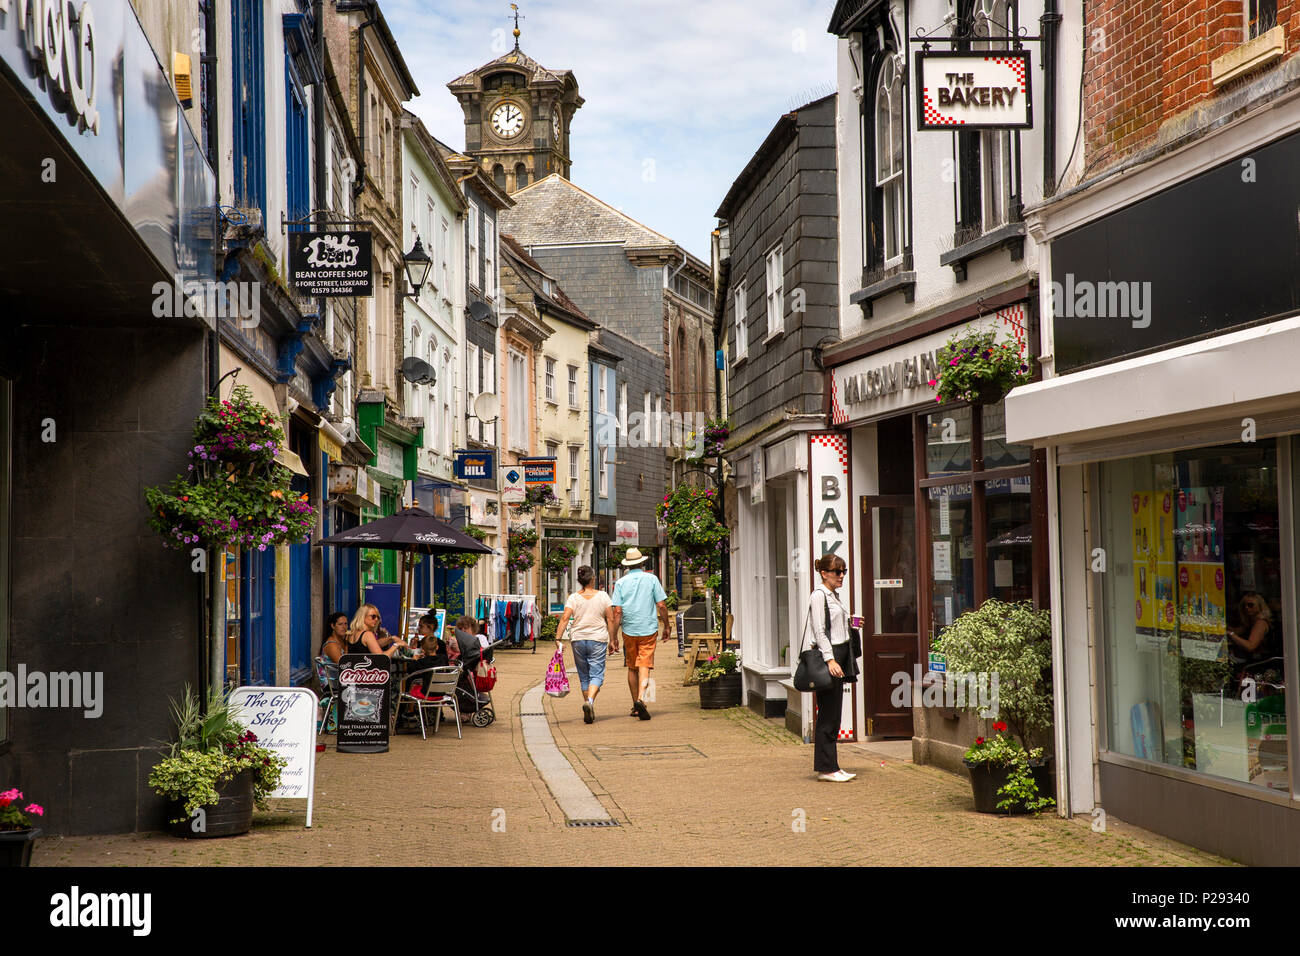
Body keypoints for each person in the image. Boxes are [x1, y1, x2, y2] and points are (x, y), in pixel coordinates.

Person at [805, 554, 860, 782]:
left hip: (840, 654)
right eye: (837, 572)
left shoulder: (834, 596)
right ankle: (827, 769)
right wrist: (830, 660)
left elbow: (833, 626)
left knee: (834, 712)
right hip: (831, 656)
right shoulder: (819, 596)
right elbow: (819, 631)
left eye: (844, 571)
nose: (841, 576)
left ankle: (832, 765)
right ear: (824, 573)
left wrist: (852, 622)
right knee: (828, 713)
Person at [609, 548, 668, 720]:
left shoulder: (620, 583)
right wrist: (667, 625)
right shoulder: (651, 579)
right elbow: (662, 605)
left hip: (629, 630)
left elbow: (617, 612)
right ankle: (642, 699)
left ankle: (635, 704)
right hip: (648, 629)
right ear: (642, 563)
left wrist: (613, 637)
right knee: (645, 664)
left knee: (632, 666)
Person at [555, 565, 615, 723]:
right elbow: (610, 618)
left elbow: (565, 618)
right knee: (596, 674)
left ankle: (588, 706)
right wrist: (614, 639)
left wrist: (558, 638)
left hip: (578, 640)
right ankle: (589, 702)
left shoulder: (573, 597)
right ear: (593, 578)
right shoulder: (603, 596)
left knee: (584, 676)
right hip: (598, 639)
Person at [1228, 591, 1275, 665]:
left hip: (1260, 664)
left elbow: (1250, 646)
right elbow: (1238, 631)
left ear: (1260, 606)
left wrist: (1231, 634)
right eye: (1244, 605)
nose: (1246, 608)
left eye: (1250, 605)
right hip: (1252, 662)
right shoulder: (1251, 622)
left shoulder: (1260, 623)